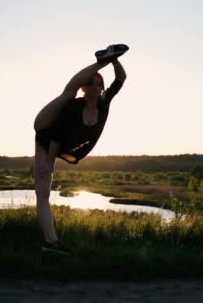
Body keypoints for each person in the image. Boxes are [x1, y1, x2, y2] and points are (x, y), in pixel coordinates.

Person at [33, 44, 129, 254]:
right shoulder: (74, 106)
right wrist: (49, 164)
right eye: (91, 83)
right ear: (84, 88)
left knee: (44, 191)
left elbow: (121, 79)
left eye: (99, 83)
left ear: (102, 88)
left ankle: (50, 243)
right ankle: (51, 242)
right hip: (45, 132)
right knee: (42, 191)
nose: (95, 86)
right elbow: (57, 136)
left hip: (61, 143)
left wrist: (114, 59)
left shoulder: (105, 102)